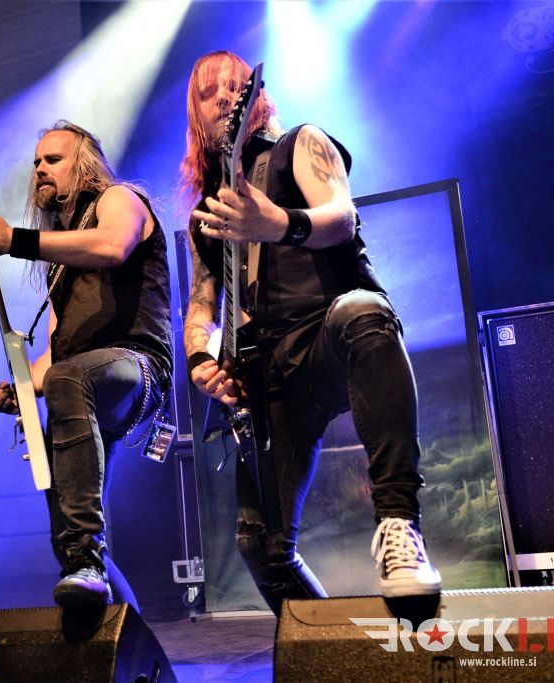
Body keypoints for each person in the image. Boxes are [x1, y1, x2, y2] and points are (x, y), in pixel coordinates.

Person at [180, 51, 440, 613]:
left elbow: (341, 216)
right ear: (195, 114)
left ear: (257, 98)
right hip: (265, 369)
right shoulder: (205, 214)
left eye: (236, 86)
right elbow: (201, 305)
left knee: (364, 310)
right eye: (209, 91)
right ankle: (337, 650)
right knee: (262, 547)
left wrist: (278, 223)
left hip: (327, 335)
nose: (224, 96)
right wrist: (200, 358)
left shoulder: (301, 143)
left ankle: (399, 526)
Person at [0, 121, 173, 611]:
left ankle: (87, 554)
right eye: (36, 162)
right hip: (80, 381)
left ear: (85, 165)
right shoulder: (61, 258)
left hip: (138, 366)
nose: (40, 169)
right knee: (66, 542)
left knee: (69, 379)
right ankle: (125, 625)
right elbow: (60, 351)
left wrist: (14, 240)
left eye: (53, 159)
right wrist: (22, 386)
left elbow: (113, 246)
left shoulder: (119, 199)